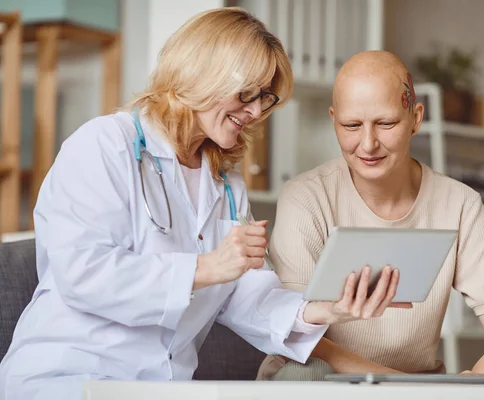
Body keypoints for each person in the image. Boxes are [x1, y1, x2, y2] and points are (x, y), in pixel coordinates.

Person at [0, 10, 409, 399]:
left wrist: (328, 308)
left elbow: (247, 297)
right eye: (247, 93)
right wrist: (206, 267)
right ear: (202, 73)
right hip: (69, 379)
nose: (254, 112)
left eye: (264, 98)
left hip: (158, 388)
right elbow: (83, 273)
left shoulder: (226, 185)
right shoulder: (105, 145)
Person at [257, 50, 484, 381]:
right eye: (351, 126)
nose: (368, 143)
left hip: (414, 386)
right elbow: (300, 334)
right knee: (308, 372)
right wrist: (402, 386)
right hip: (317, 380)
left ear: (416, 118)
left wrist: (462, 387)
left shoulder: (460, 204)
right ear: (334, 119)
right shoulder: (305, 198)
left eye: (386, 123)